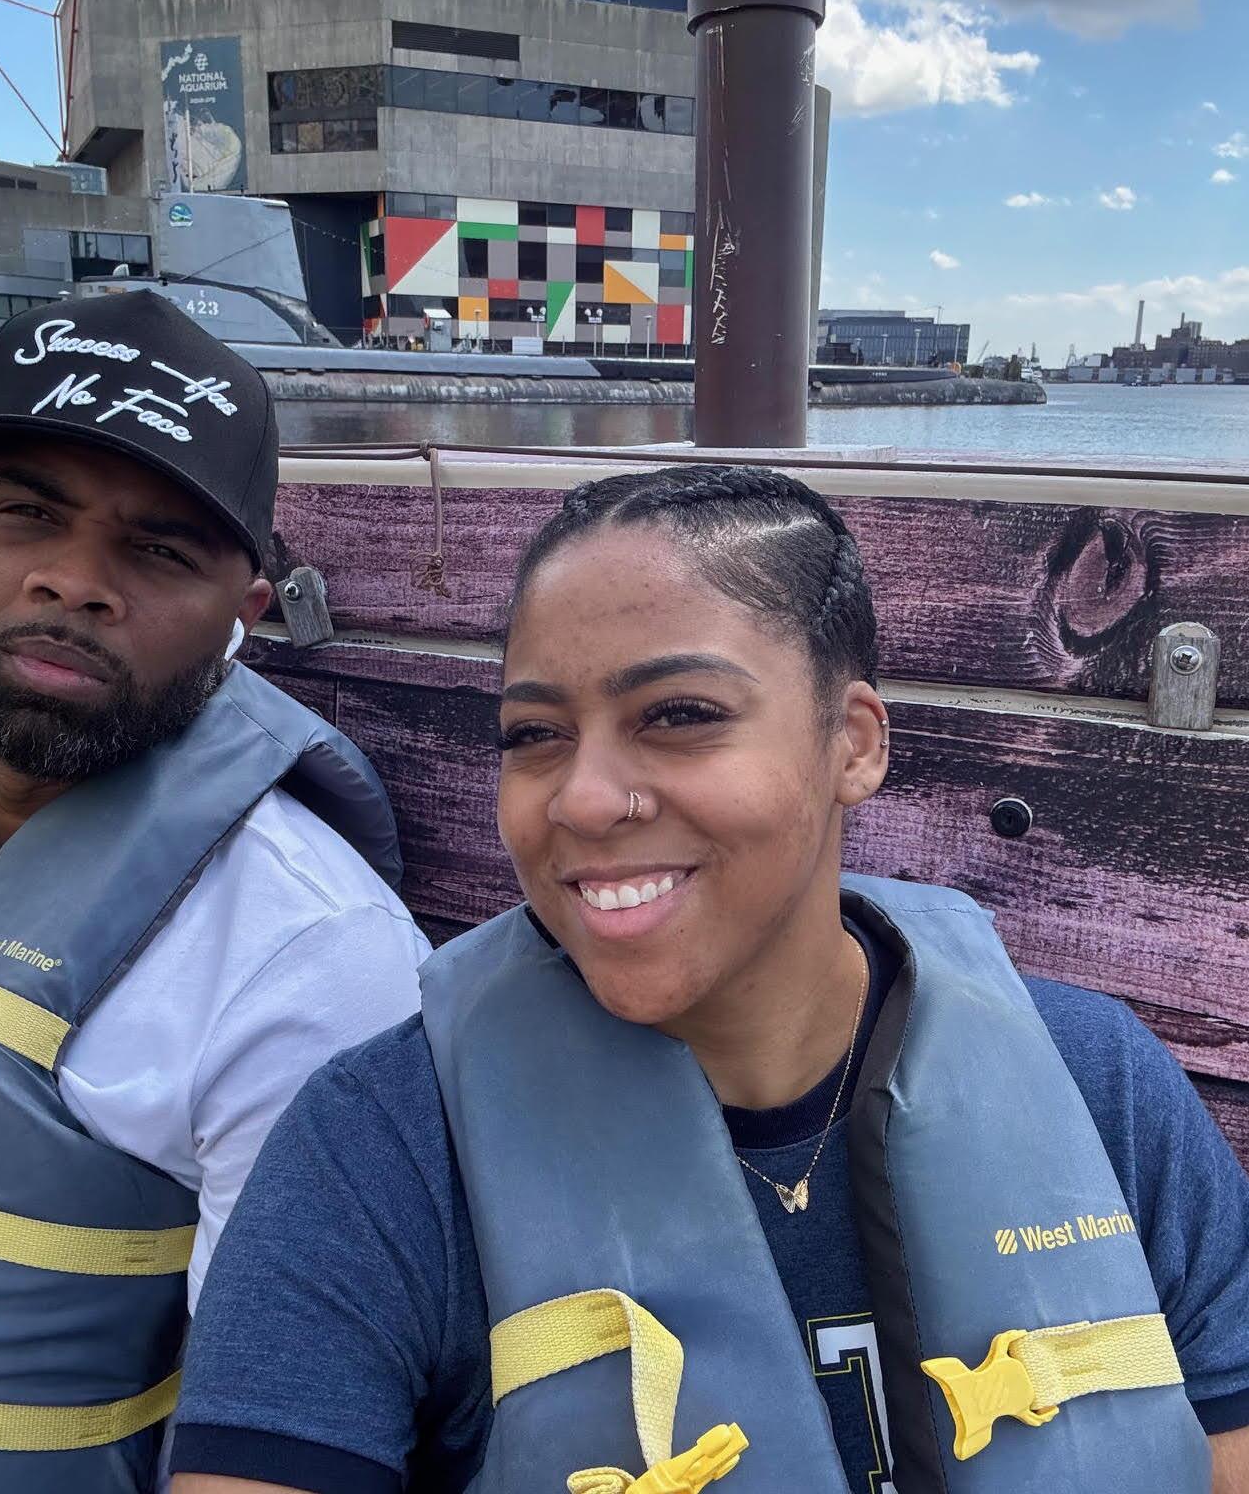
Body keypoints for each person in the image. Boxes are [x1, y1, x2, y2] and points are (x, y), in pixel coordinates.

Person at [170, 465, 1249, 1494]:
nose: (584, 799)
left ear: (854, 745)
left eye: (679, 715)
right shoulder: (380, 1151)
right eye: (536, 734)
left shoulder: (1099, 1086)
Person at [0, 290, 426, 1493]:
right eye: (25, 514)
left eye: (159, 549)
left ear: (243, 615)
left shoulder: (312, 960)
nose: (73, 581)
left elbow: (273, 1424)